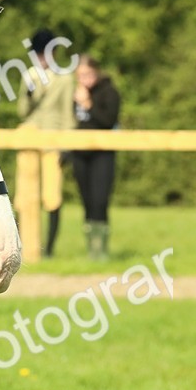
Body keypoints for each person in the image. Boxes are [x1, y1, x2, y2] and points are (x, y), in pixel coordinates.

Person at [17, 28, 76, 258]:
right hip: (29, 135)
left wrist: (67, 145)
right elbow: (22, 112)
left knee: (52, 194)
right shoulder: (29, 75)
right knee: (23, 193)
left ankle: (49, 249)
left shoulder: (65, 78)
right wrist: (29, 94)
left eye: (45, 54)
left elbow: (68, 114)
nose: (42, 58)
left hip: (53, 138)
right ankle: (22, 244)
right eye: (39, 54)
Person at [72, 55, 121, 260]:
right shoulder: (75, 93)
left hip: (103, 154)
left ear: (96, 72)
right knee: (87, 202)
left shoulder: (109, 92)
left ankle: (102, 251)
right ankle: (92, 251)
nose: (84, 79)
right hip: (80, 154)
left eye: (87, 74)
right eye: (80, 75)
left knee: (100, 201)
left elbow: (109, 120)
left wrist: (88, 104)